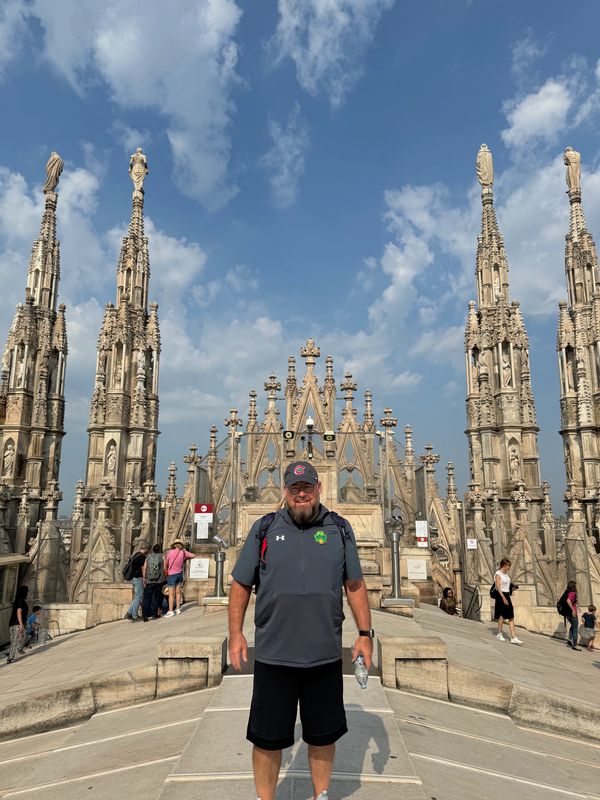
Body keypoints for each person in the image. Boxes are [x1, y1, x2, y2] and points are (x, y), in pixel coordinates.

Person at [228, 460, 372, 800]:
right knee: (267, 738)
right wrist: (236, 634)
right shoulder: (264, 528)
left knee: (323, 736)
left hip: (324, 656)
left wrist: (365, 635)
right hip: (274, 656)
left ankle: (320, 794)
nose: (301, 494)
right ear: (285, 491)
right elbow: (240, 584)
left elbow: (354, 584)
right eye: (295, 488)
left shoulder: (339, 529)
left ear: (319, 488)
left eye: (307, 487)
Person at [494, 558, 522, 645]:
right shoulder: (498, 574)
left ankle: (513, 637)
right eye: (508, 566)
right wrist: (503, 598)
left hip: (506, 595)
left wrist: (512, 588)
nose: (509, 567)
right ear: (504, 565)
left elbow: (506, 586)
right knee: (502, 615)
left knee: (511, 616)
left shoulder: (505, 574)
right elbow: (498, 587)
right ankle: (499, 633)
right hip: (501, 596)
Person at [164, 538, 194, 617]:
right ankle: (177, 609)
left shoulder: (170, 552)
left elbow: (166, 563)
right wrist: (185, 558)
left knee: (171, 594)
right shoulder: (183, 552)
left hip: (171, 574)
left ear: (174, 545)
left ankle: (171, 611)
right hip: (179, 574)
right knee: (178, 592)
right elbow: (194, 555)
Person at [124, 544, 149, 622]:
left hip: (134, 578)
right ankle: (134, 615)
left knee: (137, 597)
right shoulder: (142, 557)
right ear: (146, 549)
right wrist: (144, 578)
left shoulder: (135, 555)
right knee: (139, 596)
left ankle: (129, 613)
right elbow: (143, 568)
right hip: (139, 578)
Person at [142, 544, 165, 621]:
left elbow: (145, 567)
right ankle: (154, 614)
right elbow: (165, 567)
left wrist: (144, 578)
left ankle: (145, 616)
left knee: (147, 598)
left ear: (153, 550)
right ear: (159, 550)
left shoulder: (148, 557)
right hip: (159, 580)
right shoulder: (162, 556)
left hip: (149, 580)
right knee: (155, 598)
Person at [7, 585, 28, 663]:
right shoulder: (20, 600)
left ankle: (11, 656)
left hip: (13, 623)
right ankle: (12, 658)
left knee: (16, 640)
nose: (27, 593)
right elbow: (19, 612)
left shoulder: (18, 600)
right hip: (16, 623)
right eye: (27, 591)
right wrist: (21, 624)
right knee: (15, 640)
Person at [564, 580, 580, 650]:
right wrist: (573, 610)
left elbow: (572, 602)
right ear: (573, 587)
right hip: (572, 614)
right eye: (575, 586)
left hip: (567, 613)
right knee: (575, 629)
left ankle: (569, 640)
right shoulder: (572, 593)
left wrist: (577, 607)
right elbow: (568, 601)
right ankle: (575, 645)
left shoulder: (568, 592)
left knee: (573, 626)